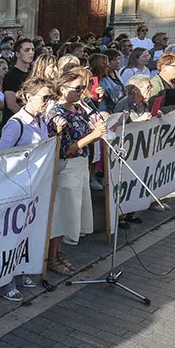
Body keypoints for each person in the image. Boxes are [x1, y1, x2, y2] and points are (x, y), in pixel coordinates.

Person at [47, 70, 108, 275]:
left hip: (81, 164)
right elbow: (65, 148)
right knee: (62, 213)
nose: (82, 92)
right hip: (67, 166)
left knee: (71, 214)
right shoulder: (57, 112)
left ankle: (59, 252)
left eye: (84, 88)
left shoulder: (79, 109)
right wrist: (93, 136)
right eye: (78, 88)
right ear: (63, 89)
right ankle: (51, 256)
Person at [0, 77, 55, 149]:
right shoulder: (15, 124)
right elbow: (0, 155)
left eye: (51, 97)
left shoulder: (42, 119)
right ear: (29, 97)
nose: (49, 102)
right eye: (45, 98)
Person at [2, 38, 35, 113]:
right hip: (17, 120)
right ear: (17, 54)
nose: (31, 53)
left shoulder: (31, 73)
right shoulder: (11, 76)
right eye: (27, 50)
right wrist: (27, 118)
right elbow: (11, 104)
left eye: (32, 50)